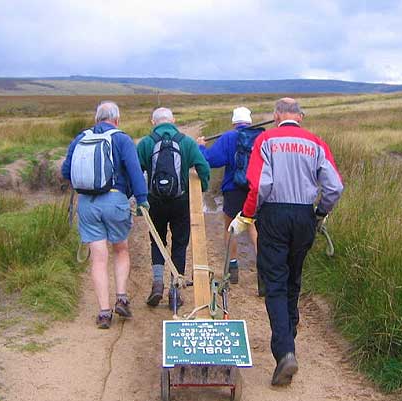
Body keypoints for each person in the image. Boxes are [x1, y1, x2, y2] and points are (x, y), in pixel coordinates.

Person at [229, 98, 343, 385]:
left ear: (277, 115)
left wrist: (246, 215)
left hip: (274, 215)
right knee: (294, 278)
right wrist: (320, 212)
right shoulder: (316, 143)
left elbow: (261, 184)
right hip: (305, 216)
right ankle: (289, 334)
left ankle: (285, 352)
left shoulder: (266, 139)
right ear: (300, 117)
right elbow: (334, 187)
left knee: (275, 283)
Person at [61, 101, 149, 329]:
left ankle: (103, 313)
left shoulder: (81, 138)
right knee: (120, 249)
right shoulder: (122, 138)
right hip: (115, 200)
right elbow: (135, 170)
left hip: (87, 204)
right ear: (117, 119)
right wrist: (142, 199)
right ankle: (121, 297)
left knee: (98, 258)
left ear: (96, 118)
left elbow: (65, 171)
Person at [137, 107, 210, 309]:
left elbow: (135, 171)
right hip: (180, 201)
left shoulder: (146, 143)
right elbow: (203, 166)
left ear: (153, 122)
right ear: (173, 120)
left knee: (157, 241)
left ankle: (158, 283)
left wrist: (138, 197)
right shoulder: (186, 142)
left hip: (155, 202)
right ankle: (175, 291)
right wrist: (201, 187)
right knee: (179, 243)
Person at [196, 107, 259, 288]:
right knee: (254, 227)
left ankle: (232, 269)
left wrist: (200, 146)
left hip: (233, 189)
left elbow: (210, 159)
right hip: (255, 190)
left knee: (230, 227)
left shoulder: (228, 137)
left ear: (234, 122)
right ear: (249, 121)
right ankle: (263, 271)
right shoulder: (259, 137)